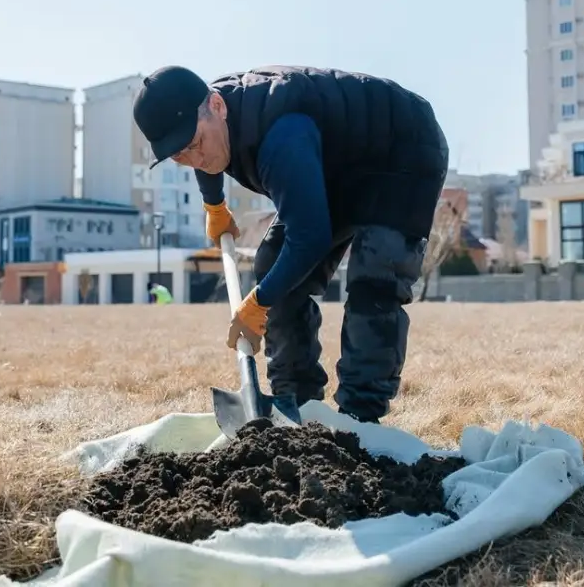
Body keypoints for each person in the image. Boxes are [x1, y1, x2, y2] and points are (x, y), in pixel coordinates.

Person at [132, 65, 449, 424]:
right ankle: (295, 402)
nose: (196, 160)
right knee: (273, 266)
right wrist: (214, 205)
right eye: (180, 155)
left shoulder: (280, 135)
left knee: (375, 280)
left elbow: (309, 239)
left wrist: (258, 303)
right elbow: (203, 154)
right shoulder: (211, 122)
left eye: (196, 145)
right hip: (333, 162)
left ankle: (360, 419)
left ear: (218, 107)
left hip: (401, 148)